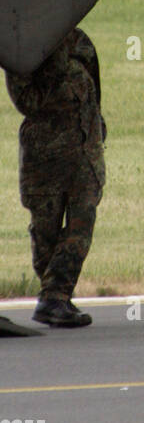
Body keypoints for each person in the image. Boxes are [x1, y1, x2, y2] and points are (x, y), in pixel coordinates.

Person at [4, 27, 105, 328]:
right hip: (45, 159)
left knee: (81, 224)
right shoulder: (21, 50)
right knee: (45, 232)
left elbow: (94, 90)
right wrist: (55, 57)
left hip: (84, 153)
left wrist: (97, 125)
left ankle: (56, 296)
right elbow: (29, 102)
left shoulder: (80, 41)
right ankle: (53, 297)